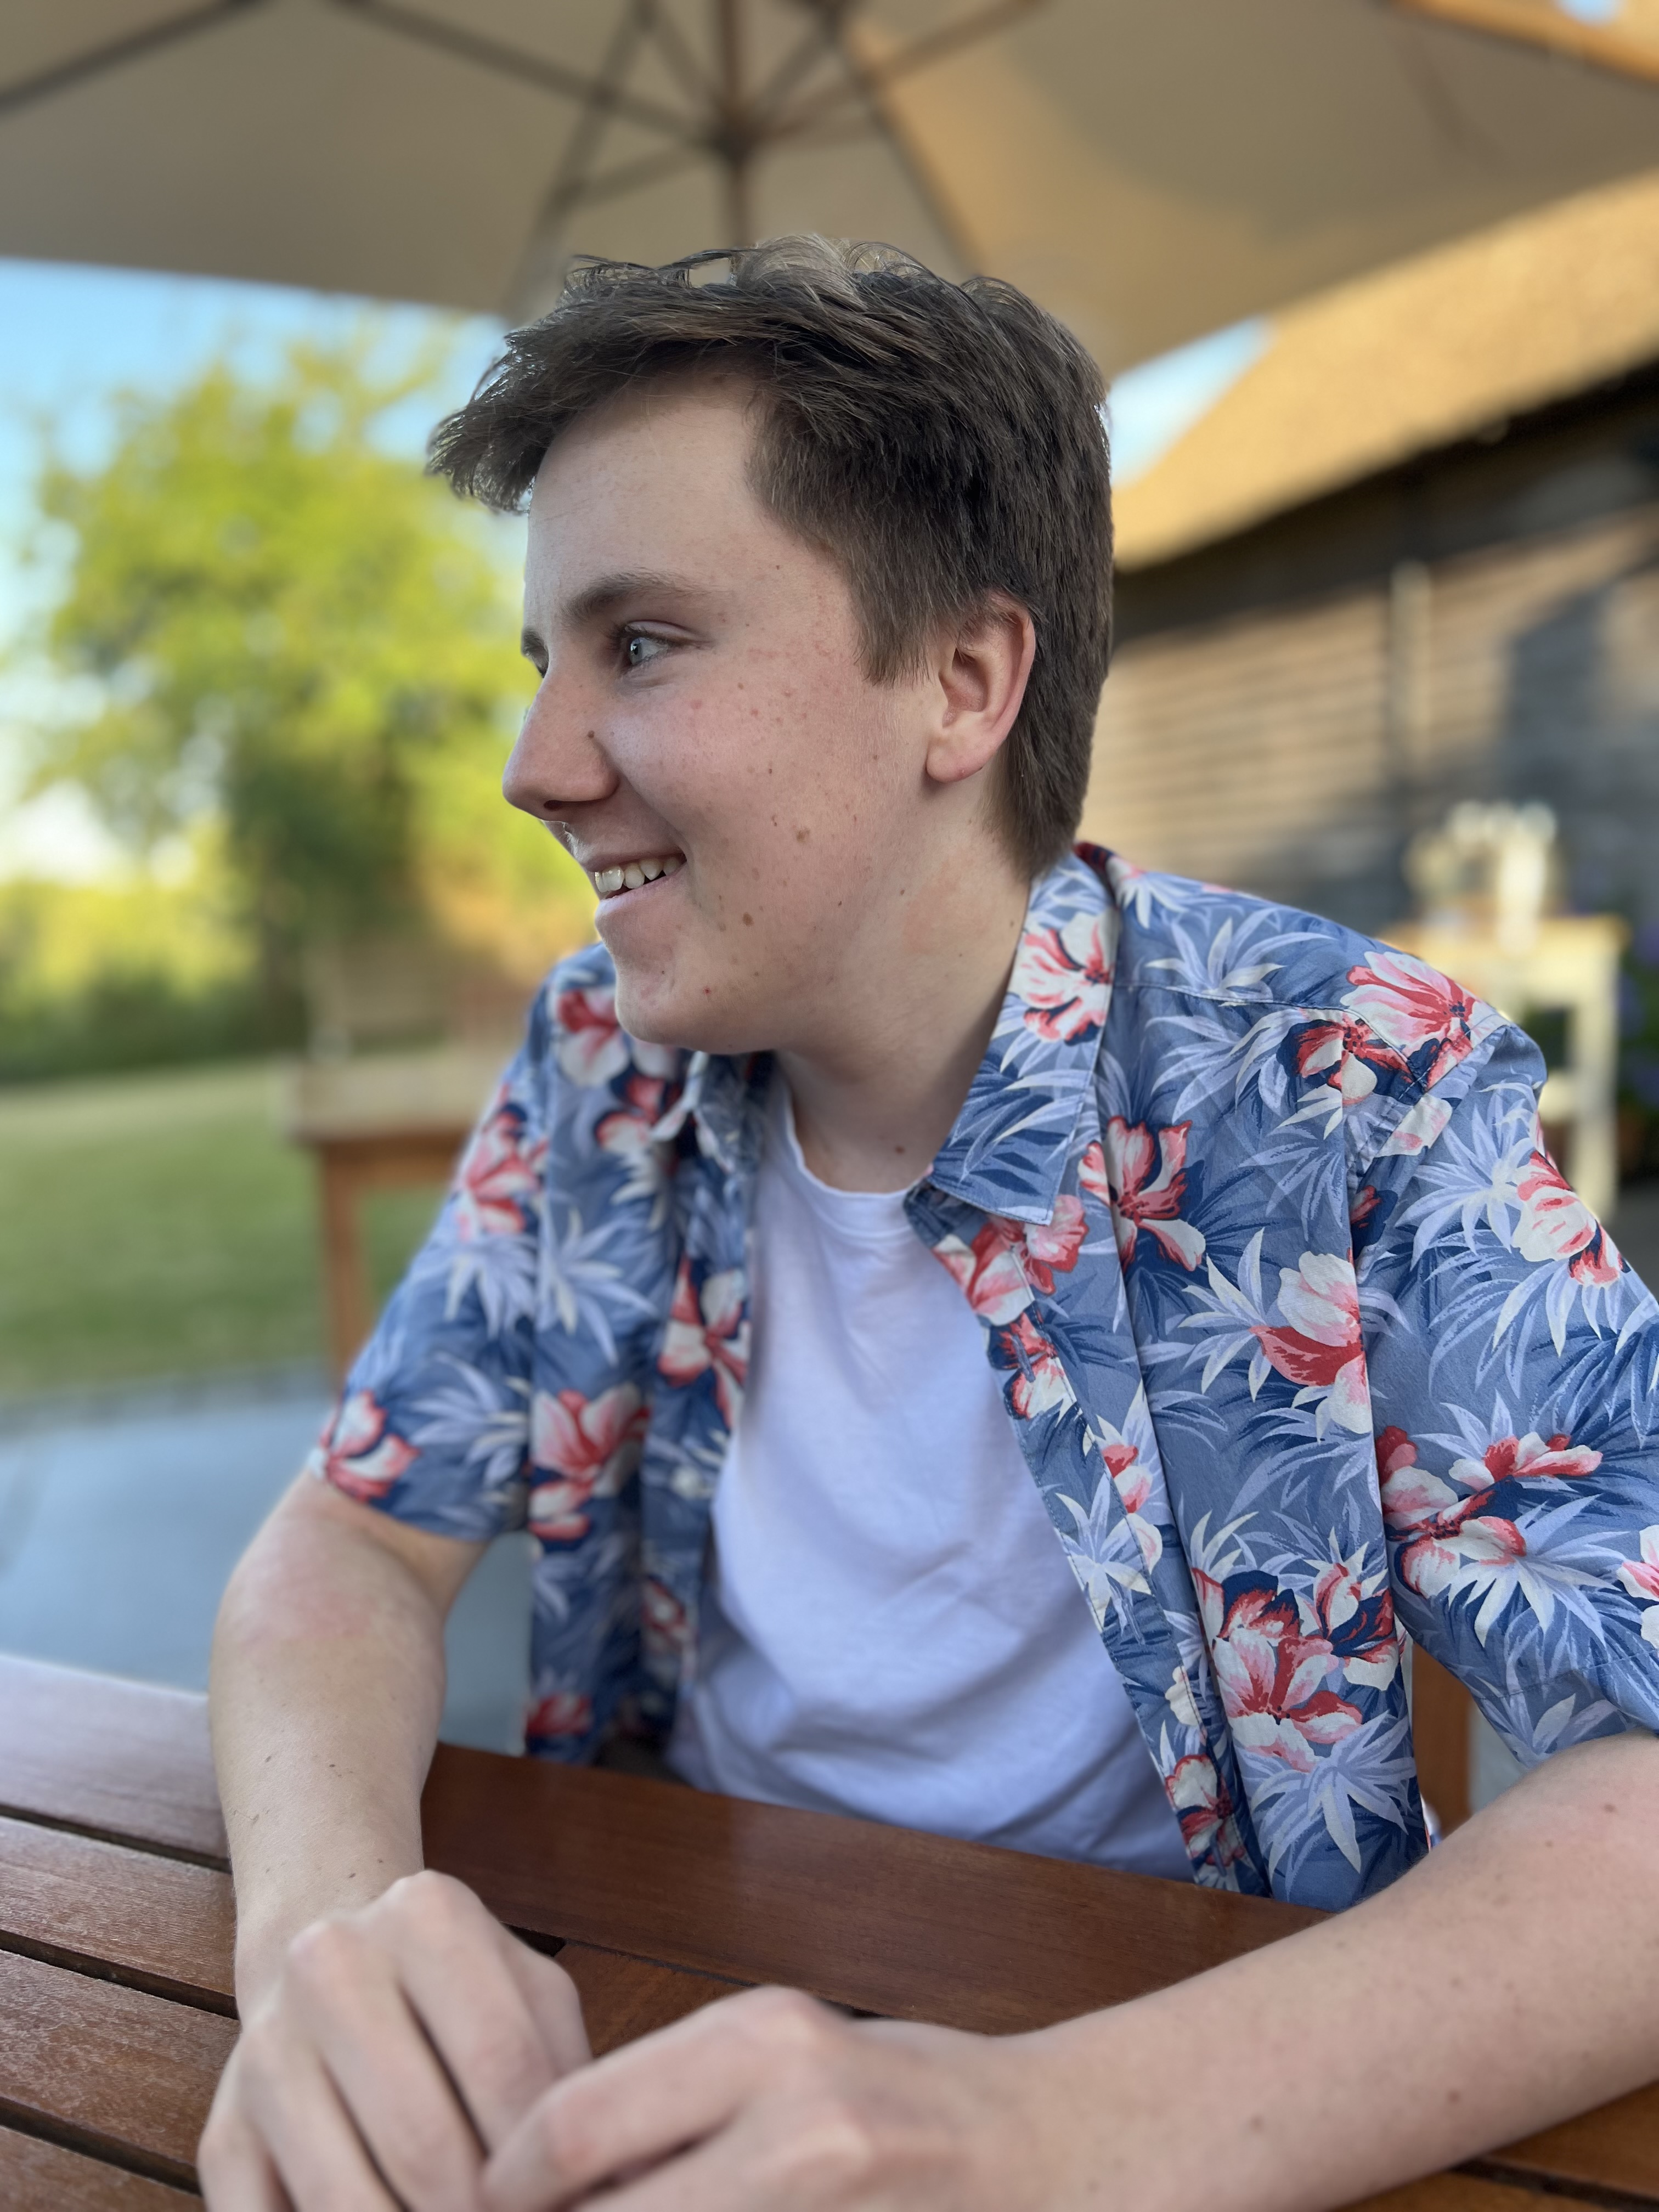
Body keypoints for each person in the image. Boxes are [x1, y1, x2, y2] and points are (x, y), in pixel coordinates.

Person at [200, 238, 1659, 2212]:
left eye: (643, 645)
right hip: (655, 2026)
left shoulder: (1337, 1078)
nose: (535, 768)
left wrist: (1047, 2134)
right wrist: (323, 1932)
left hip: (1175, 2080)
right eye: (545, 661)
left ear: (963, 683)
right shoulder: (597, 1065)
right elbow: (352, 1542)